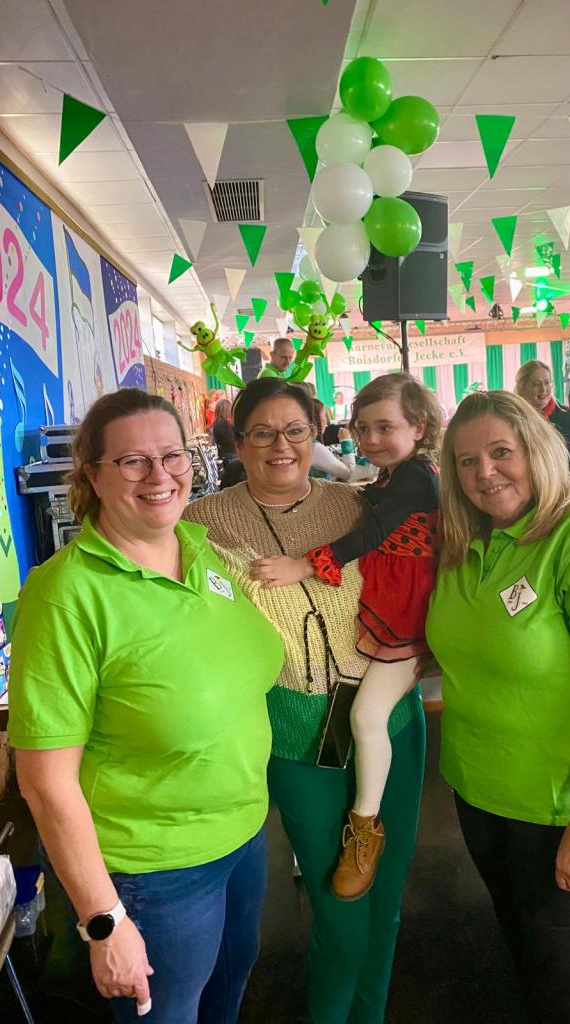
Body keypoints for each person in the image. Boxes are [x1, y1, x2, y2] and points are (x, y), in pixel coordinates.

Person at [8, 389, 283, 1024]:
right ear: (93, 476)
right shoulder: (65, 596)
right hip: (154, 870)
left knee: (227, 990)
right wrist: (104, 920)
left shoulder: (201, 550)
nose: (160, 475)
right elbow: (44, 783)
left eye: (172, 455)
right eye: (133, 461)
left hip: (242, 836)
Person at [183, 377, 426, 1024]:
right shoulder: (201, 524)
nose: (281, 446)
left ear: (316, 434)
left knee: (386, 902)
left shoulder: (359, 505)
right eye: (262, 433)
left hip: (390, 720)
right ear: (238, 442)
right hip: (296, 733)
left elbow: (431, 558)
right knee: (339, 911)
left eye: (294, 430)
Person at [426, 389, 570, 1024]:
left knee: (561, 995)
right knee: (525, 962)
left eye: (502, 452)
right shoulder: (466, 541)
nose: (485, 472)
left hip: (565, 807)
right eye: (467, 461)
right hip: (481, 793)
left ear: (538, 450)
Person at [256, 374, 440, 901]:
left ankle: (365, 827)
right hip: (391, 606)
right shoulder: (397, 474)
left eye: (385, 427)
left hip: (408, 615)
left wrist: (304, 565)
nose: (371, 439)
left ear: (418, 426)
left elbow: (371, 533)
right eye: (363, 428)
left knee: (366, 716)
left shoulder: (416, 476)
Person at [516, 360, 570, 502]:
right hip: (525, 504)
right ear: (522, 387)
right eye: (536, 384)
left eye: (547, 383)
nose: (543, 389)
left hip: (567, 502)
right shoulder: (512, 422)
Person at [310, 398, 357, 482]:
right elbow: (349, 474)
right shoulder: (314, 447)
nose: (326, 420)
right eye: (324, 415)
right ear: (316, 419)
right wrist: (346, 441)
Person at [211, 397, 236, 464]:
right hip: (231, 458)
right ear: (226, 410)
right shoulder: (224, 424)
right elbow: (232, 444)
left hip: (225, 456)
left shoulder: (217, 423)